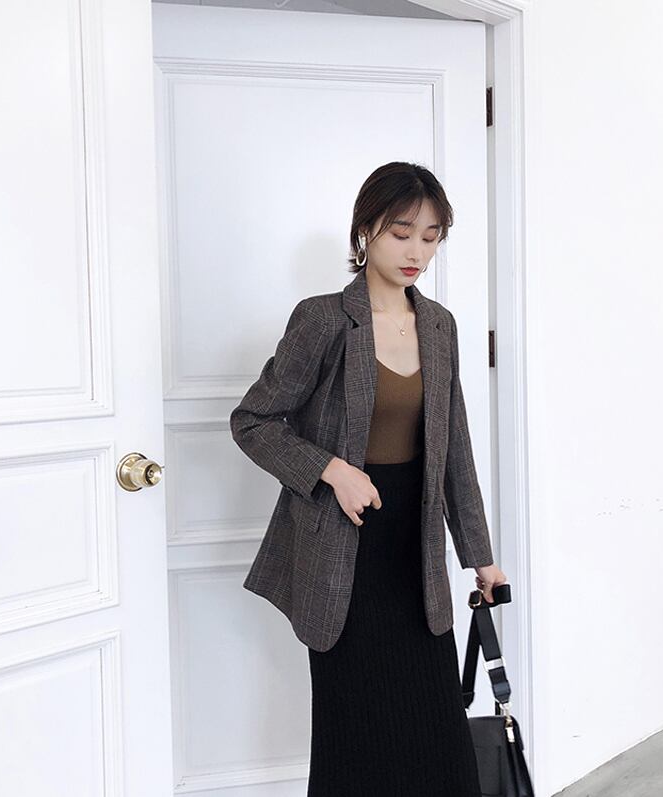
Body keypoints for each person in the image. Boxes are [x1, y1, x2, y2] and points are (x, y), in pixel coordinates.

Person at [230, 161, 507, 796]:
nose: (416, 253)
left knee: (438, 741)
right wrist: (332, 471)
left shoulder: (439, 326)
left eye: (431, 237)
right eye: (401, 233)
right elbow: (252, 421)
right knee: (355, 742)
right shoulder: (324, 320)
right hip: (342, 555)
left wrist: (481, 557)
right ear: (365, 231)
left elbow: (454, 450)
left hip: (416, 555)